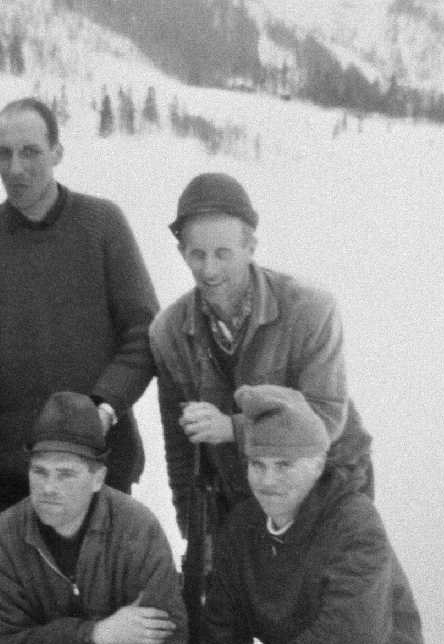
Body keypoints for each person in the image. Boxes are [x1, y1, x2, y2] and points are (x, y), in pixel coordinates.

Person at [0, 96, 159, 568]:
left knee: (105, 596)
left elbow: (142, 334)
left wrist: (103, 408)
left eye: (30, 151)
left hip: (96, 464)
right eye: (3, 153)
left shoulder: (103, 225)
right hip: (0, 475)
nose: (15, 167)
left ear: (57, 152)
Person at [204, 385, 444, 644]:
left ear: (317, 464)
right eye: (257, 465)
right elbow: (222, 634)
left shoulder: (354, 520)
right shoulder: (241, 527)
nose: (268, 481)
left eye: (284, 465)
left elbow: (352, 639)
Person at [150, 172, 374, 536]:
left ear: (251, 247)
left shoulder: (310, 309)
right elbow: (180, 449)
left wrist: (233, 429)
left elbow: (327, 416)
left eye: (224, 254)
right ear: (182, 253)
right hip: (242, 502)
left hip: (328, 491)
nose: (209, 270)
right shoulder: (168, 332)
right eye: (197, 255)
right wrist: (192, 529)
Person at [0, 392, 186, 644]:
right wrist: (98, 633)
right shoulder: (1, 538)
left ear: (98, 478)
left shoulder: (138, 529)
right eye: (39, 472)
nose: (48, 487)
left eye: (66, 474)